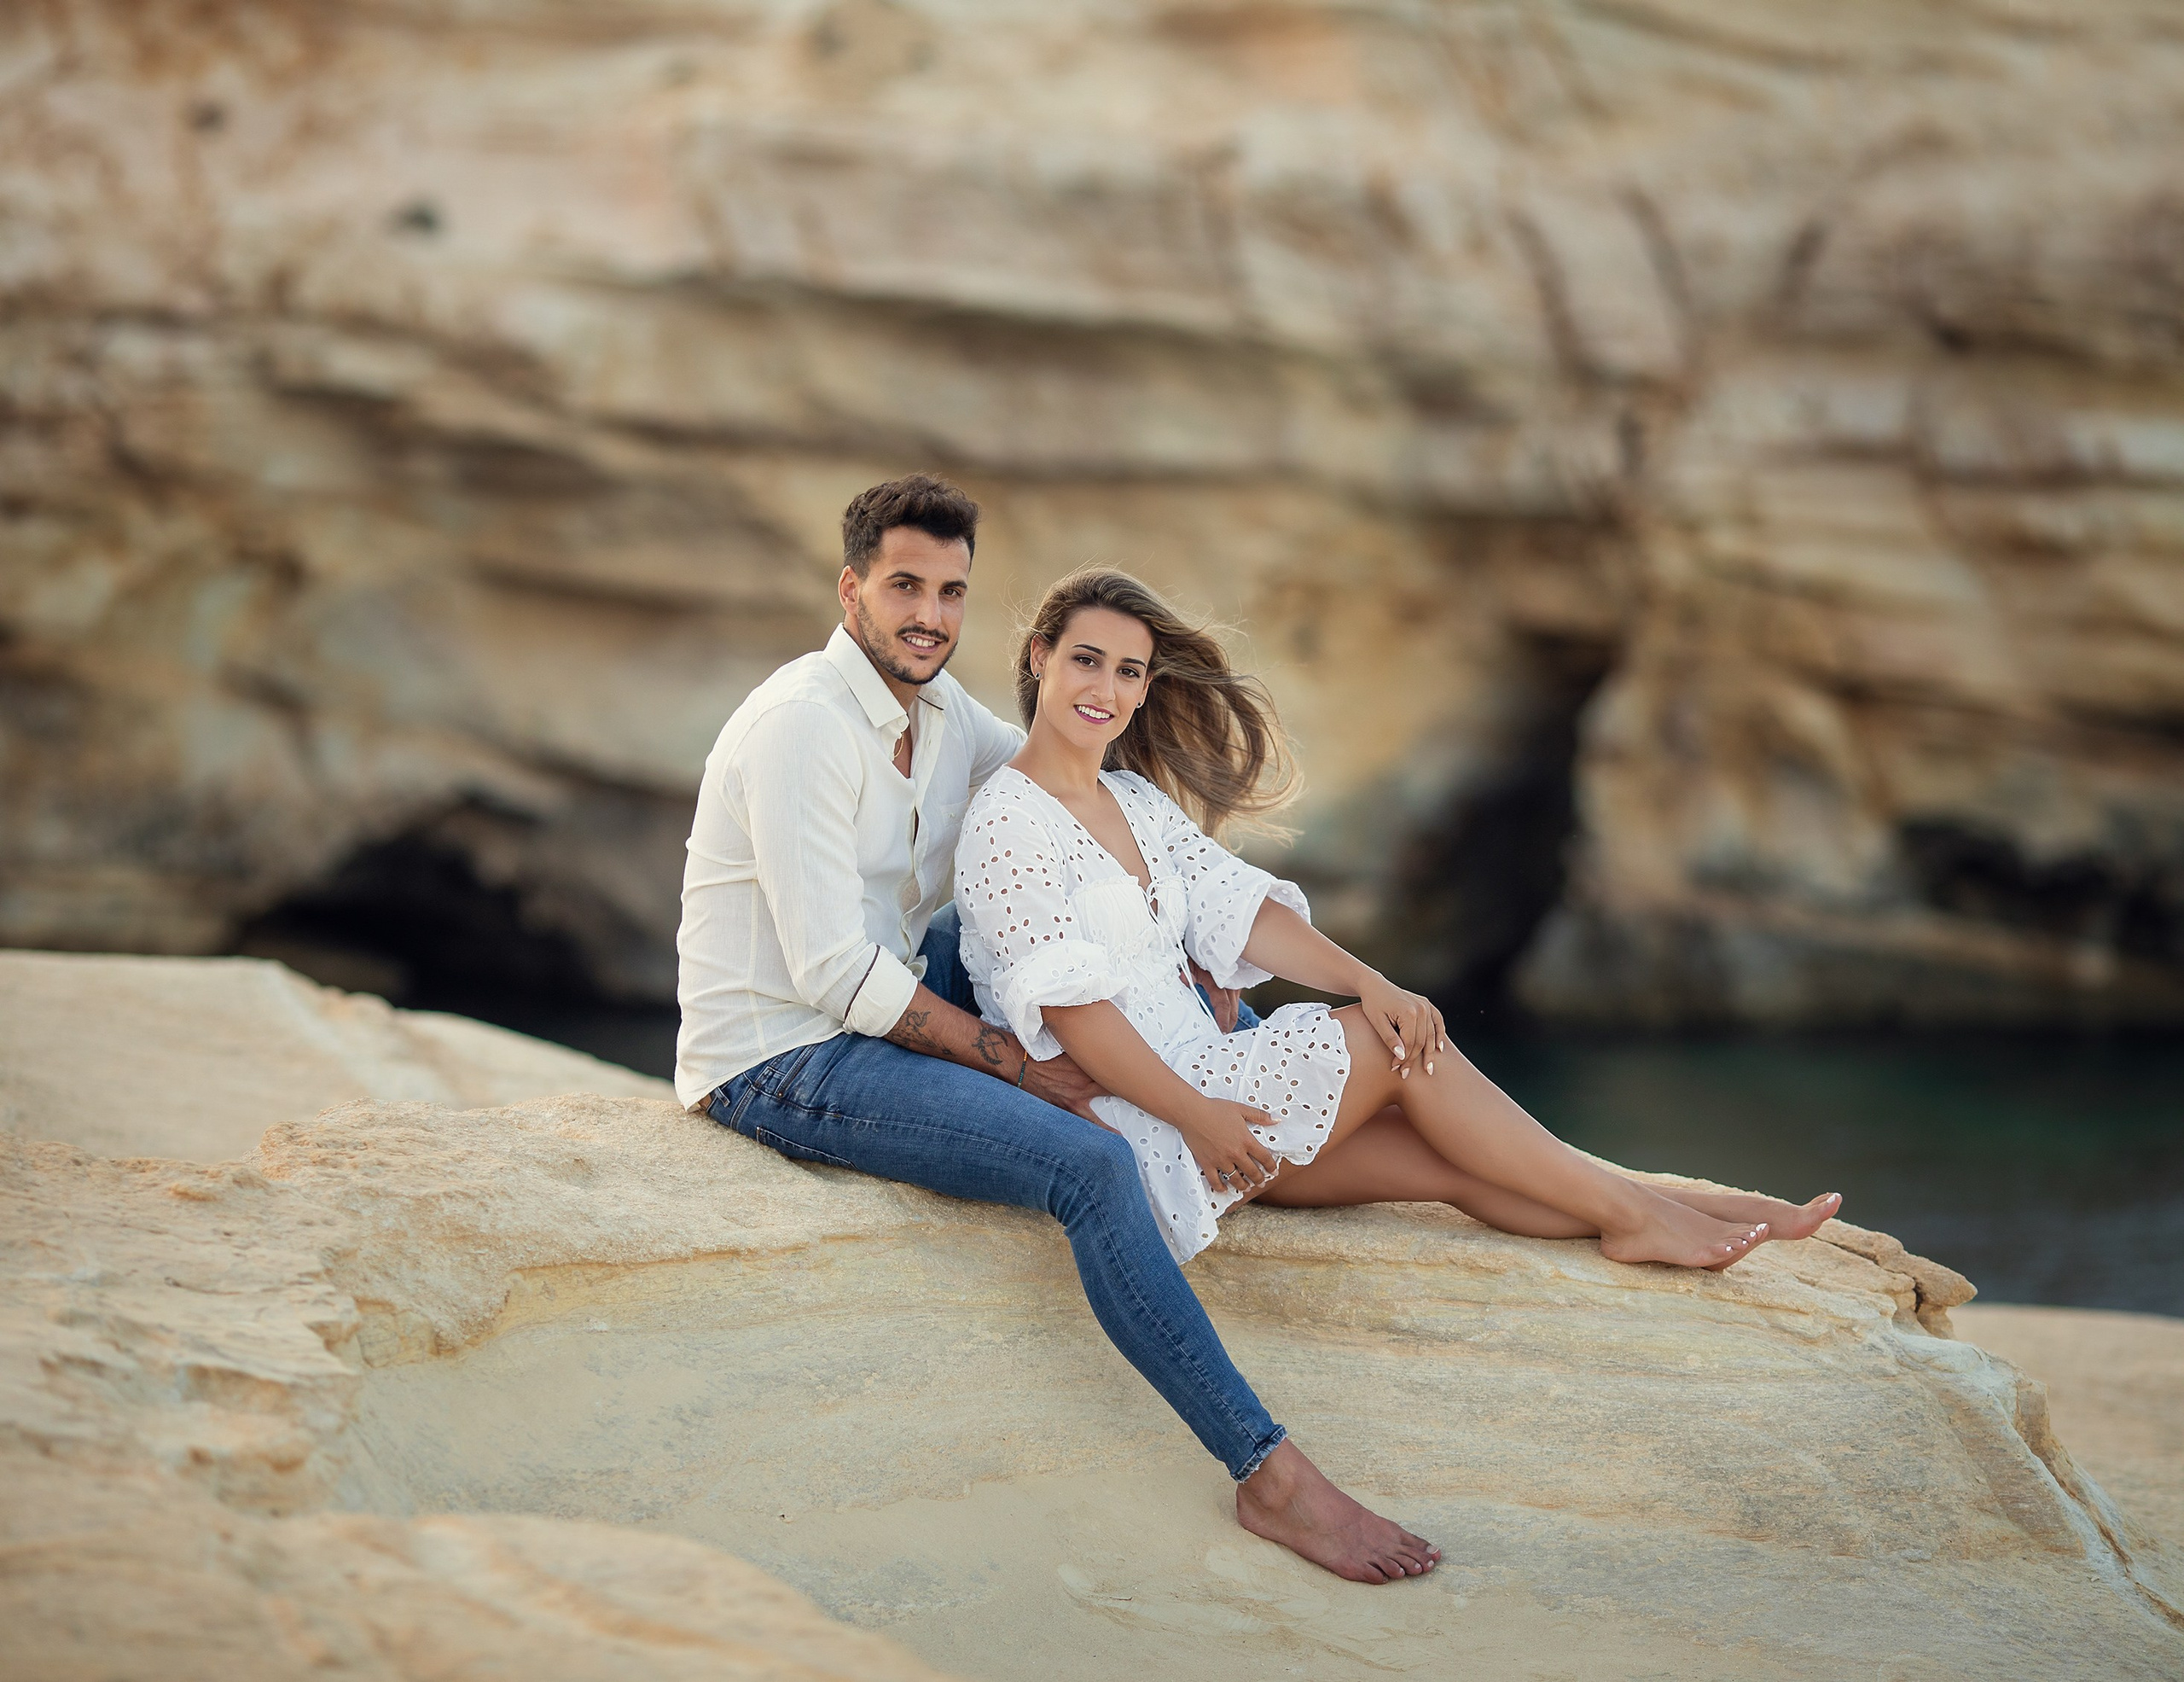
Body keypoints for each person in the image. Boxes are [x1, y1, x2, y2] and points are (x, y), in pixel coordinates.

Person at [677, 476, 1439, 1585]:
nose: (929, 613)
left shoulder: (940, 716)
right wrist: (1019, 1063)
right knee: (1090, 1159)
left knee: (1051, 947)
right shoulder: (804, 725)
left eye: (949, 590)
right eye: (903, 586)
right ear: (850, 590)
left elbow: (1067, 784)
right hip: (781, 1050)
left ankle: (1201, 1080)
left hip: (888, 982)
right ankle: (1266, 1470)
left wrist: (1178, 947)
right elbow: (831, 972)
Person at [955, 567, 1846, 1281]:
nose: (1104, 688)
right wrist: (1199, 1118)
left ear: (1146, 687)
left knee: (1452, 1161)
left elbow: (1240, 908)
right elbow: (1072, 1013)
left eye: (1128, 670)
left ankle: (1656, 1211)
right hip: (1150, 1120)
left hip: (1210, 1089)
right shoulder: (1007, 820)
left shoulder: (1133, 799)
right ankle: (1646, 1213)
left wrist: (1369, 982)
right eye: (1086, 660)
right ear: (1039, 658)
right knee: (1398, 1050)